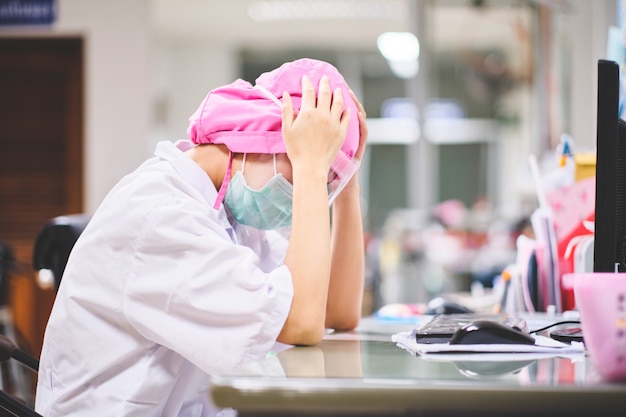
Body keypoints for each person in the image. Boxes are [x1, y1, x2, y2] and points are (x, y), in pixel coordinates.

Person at [34, 57, 367, 417]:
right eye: (302, 167)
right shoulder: (163, 216)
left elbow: (335, 312)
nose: (311, 188)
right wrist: (312, 168)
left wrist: (345, 183)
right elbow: (300, 323)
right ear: (260, 139)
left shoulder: (231, 216)